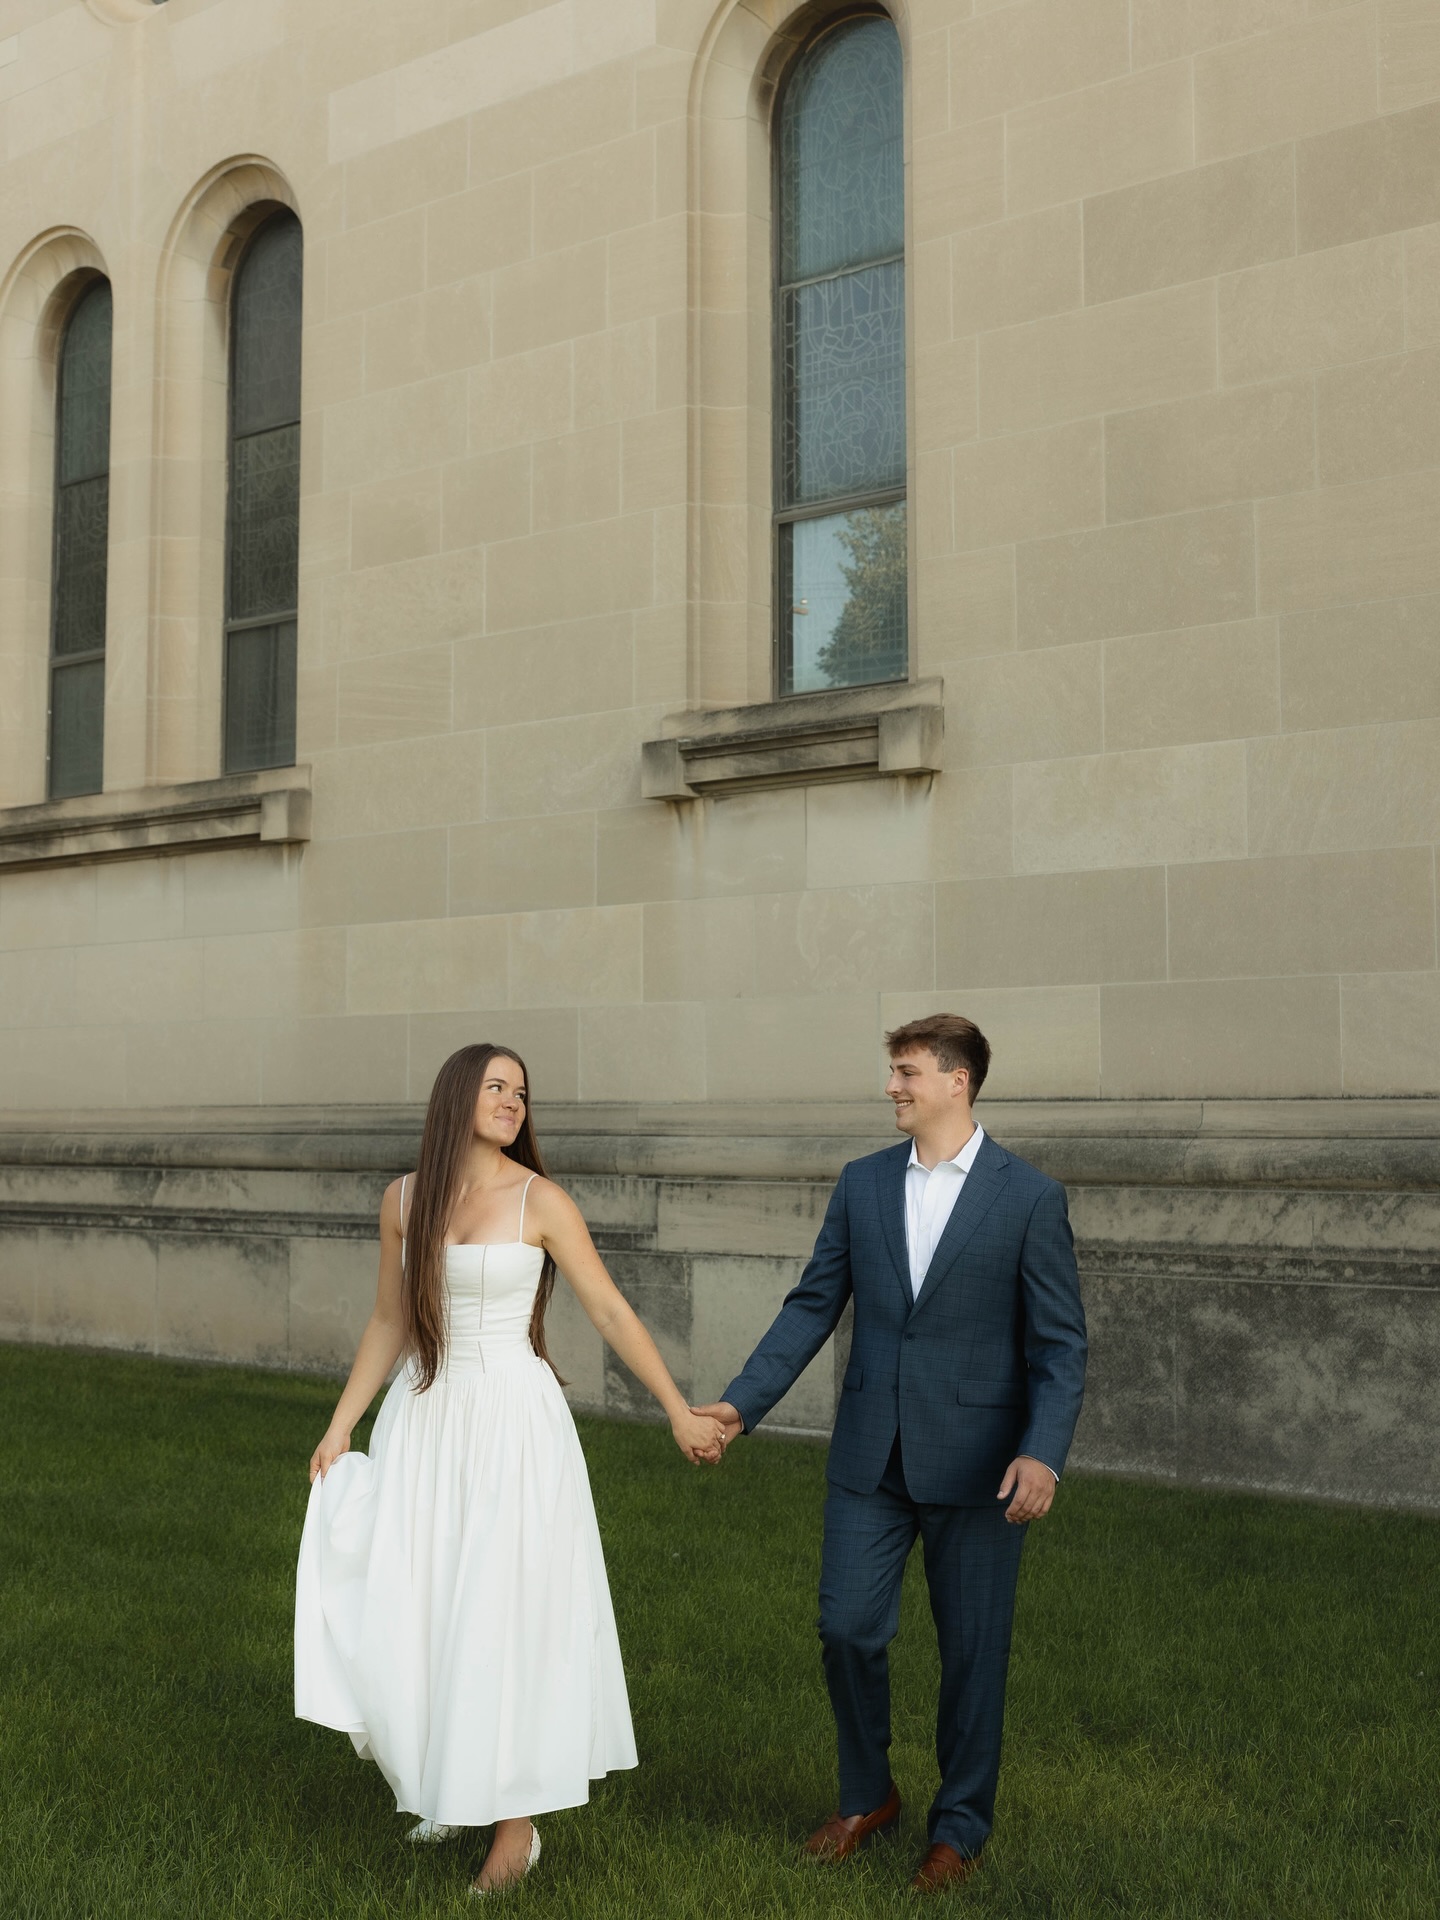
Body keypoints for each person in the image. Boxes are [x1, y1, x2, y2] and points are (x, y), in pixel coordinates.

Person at [294, 1042, 725, 1895]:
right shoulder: (404, 1200)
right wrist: (342, 1425)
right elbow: (389, 1319)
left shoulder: (541, 1199)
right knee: (426, 1599)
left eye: (521, 1092)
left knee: (504, 1608)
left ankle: (516, 1831)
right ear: (455, 1096)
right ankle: (448, 1781)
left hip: (512, 1425)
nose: (512, 1102)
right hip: (425, 1417)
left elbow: (606, 1305)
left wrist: (678, 1408)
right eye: (496, 1087)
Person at [696, 1013, 1086, 1895]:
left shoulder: (1029, 1197)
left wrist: (1043, 1454)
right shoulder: (862, 1184)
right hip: (871, 1459)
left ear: (958, 1080)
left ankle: (960, 1826)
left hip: (984, 1465)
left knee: (973, 1654)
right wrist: (742, 1404)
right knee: (846, 1626)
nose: (892, 1087)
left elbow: (1060, 1347)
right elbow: (811, 1305)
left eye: (907, 1071)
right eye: (893, 1071)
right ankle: (868, 1795)